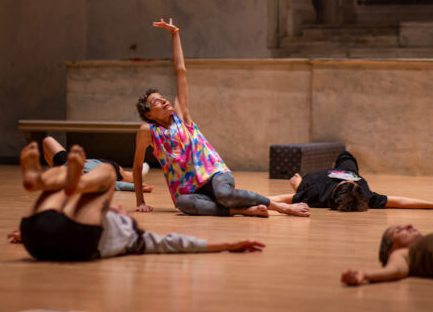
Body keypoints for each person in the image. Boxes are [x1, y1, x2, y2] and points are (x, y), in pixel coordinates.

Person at [131, 18, 309, 218]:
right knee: (182, 204)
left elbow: (180, 71)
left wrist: (175, 34)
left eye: (163, 98)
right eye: (156, 102)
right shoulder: (148, 132)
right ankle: (244, 209)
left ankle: (279, 207)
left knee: (224, 194)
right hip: (190, 190)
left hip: (214, 173)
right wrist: (140, 202)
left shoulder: (181, 116)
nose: (164, 101)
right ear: (148, 114)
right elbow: (137, 167)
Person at [11, 142, 265, 261]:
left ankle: (49, 180)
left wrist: (228, 246)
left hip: (43, 237)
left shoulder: (132, 237)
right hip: (42, 235)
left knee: (102, 172)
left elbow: (176, 243)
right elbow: (175, 243)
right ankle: (41, 180)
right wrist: (226, 245)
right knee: (99, 172)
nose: (120, 208)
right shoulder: (133, 237)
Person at [270, 151, 433, 212]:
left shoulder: (315, 194)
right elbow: (400, 202)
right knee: (346, 155)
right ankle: (299, 185)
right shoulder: (366, 196)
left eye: (347, 184)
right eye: (354, 185)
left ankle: (298, 184)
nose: (353, 184)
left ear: (336, 190)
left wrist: (244, 200)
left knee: (301, 186)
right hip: (348, 171)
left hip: (316, 179)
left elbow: (277, 198)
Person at [40, 136, 154, 192]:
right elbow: (115, 185)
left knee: (48, 140)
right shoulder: (91, 180)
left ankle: (141, 171)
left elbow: (47, 140)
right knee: (132, 176)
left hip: (66, 163)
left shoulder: (64, 171)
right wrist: (135, 187)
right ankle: (142, 170)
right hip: (107, 168)